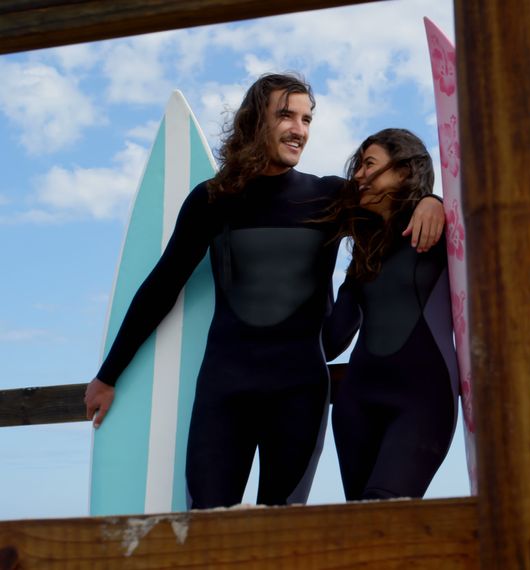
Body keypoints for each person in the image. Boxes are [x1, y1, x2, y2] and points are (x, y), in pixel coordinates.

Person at [82, 74, 445, 509]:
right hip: (225, 391)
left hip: (299, 394)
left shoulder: (329, 196)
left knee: (282, 538)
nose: (300, 129)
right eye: (287, 115)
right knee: (207, 529)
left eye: (307, 118)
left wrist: (432, 201)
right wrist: (108, 374)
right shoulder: (212, 199)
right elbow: (163, 285)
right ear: (255, 120)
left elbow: (393, 201)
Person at [322, 128, 458, 501]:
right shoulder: (364, 254)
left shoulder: (442, 229)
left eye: (370, 164)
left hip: (422, 403)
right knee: (365, 535)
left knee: (385, 510)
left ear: (405, 171)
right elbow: (332, 341)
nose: (358, 176)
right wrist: (312, 266)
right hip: (356, 408)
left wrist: (434, 200)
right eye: (359, 166)